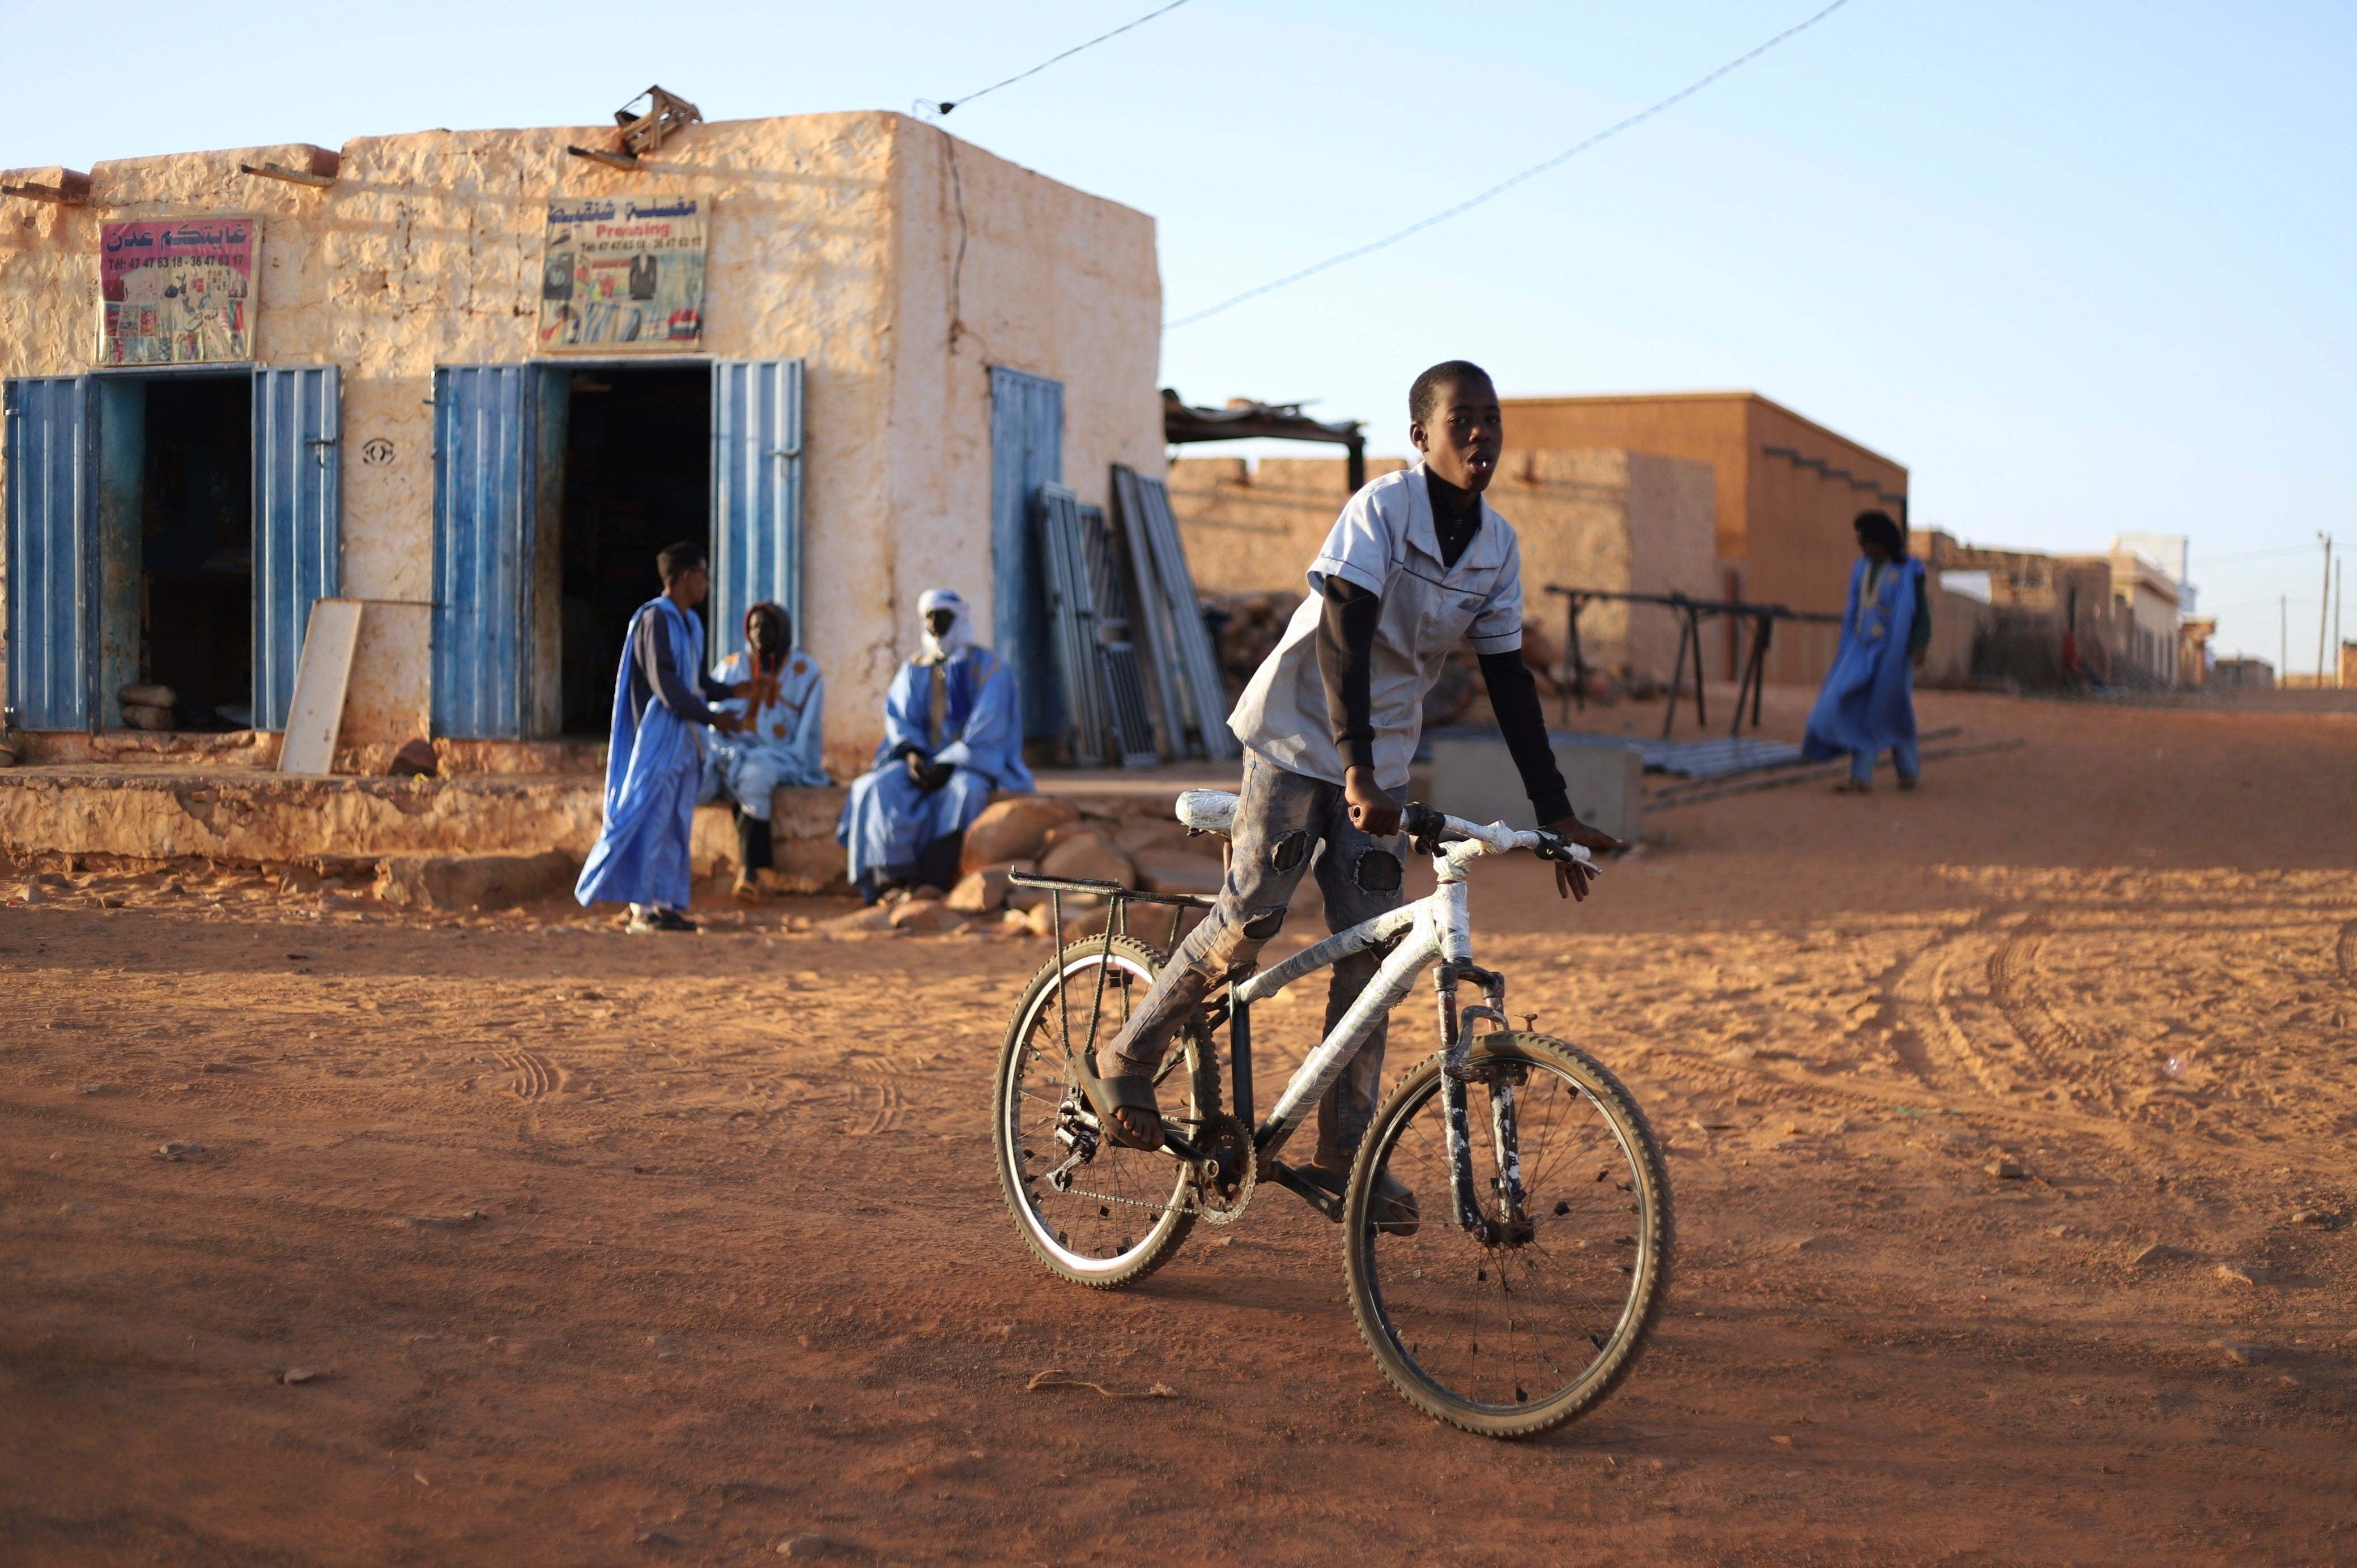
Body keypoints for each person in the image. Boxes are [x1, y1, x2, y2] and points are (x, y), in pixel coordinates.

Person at [1084, 360, 1624, 1222]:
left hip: (1382, 760)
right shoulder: (1382, 509)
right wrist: (1356, 768)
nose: (1480, 433)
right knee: (1252, 915)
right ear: (1420, 436)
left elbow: (1509, 681)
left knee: (1373, 952)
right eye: (1461, 419)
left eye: (1491, 418)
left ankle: (1346, 1152)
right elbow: (1344, 630)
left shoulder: (1497, 547)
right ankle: (1127, 1055)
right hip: (1301, 736)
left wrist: (1553, 810)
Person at [576, 541, 743, 933]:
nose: (707, 583)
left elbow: (696, 681)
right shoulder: (655, 620)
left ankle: (665, 904)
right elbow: (668, 687)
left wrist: (736, 692)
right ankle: (642, 909)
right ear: (686, 576)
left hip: (686, 741)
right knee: (650, 818)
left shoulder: (692, 624)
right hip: (657, 740)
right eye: (703, 574)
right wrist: (714, 718)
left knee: (676, 822)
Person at [836, 588, 1035, 902]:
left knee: (965, 791)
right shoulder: (914, 668)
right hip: (924, 760)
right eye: (929, 618)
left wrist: (951, 762)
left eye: (943, 617)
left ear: (959, 619)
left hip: (971, 763)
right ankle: (890, 878)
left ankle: (933, 882)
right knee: (875, 786)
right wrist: (913, 754)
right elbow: (901, 721)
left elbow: (990, 725)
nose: (935, 625)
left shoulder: (990, 667)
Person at [701, 601, 828, 900]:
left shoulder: (805, 672)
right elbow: (712, 717)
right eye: (754, 627)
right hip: (729, 750)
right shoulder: (733, 666)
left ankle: (750, 871)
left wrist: (794, 757)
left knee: (755, 777)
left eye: (767, 627)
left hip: (780, 754)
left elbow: (807, 736)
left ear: (782, 631)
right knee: (694, 776)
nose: (759, 633)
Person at [1802, 510, 1930, 794]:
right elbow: (1854, 609)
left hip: (1895, 654)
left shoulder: (1909, 570)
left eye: (1868, 541)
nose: (1864, 547)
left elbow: (1921, 612)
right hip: (1860, 650)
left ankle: (1902, 772)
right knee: (1849, 704)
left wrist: (1920, 645)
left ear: (1883, 542)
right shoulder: (1860, 568)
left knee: (1892, 709)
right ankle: (1861, 775)